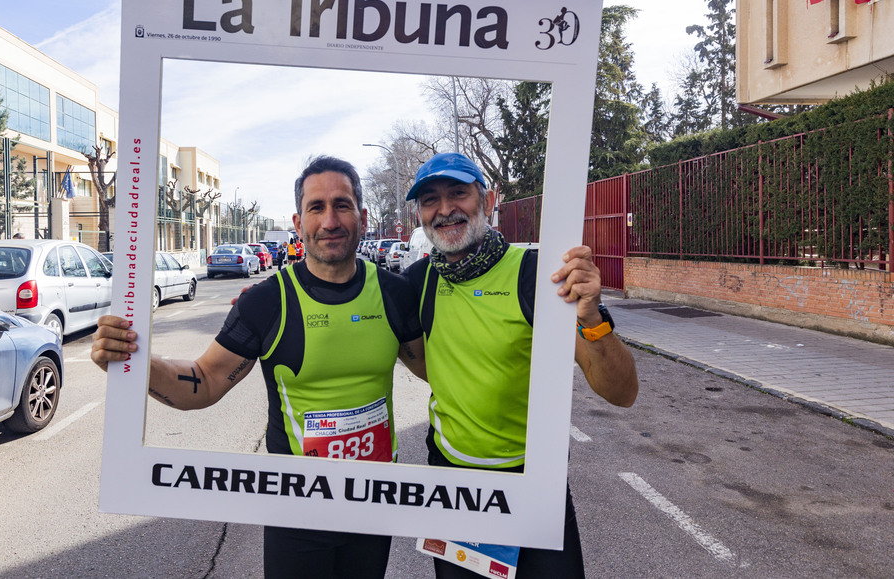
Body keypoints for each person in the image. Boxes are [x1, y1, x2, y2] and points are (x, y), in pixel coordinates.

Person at [91, 156, 425, 579]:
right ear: (298, 221)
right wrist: (133, 363)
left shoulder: (395, 294)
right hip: (298, 508)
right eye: (316, 207)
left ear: (361, 214)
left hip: (373, 500)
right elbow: (207, 380)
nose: (330, 220)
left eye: (342, 205)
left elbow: (436, 371)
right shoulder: (268, 301)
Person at [403, 152, 639, 578]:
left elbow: (621, 393)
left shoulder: (538, 275)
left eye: (458, 192)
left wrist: (591, 320)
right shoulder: (417, 285)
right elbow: (420, 363)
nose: (444, 210)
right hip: (454, 488)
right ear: (419, 214)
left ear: (488, 199)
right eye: (429, 200)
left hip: (533, 485)